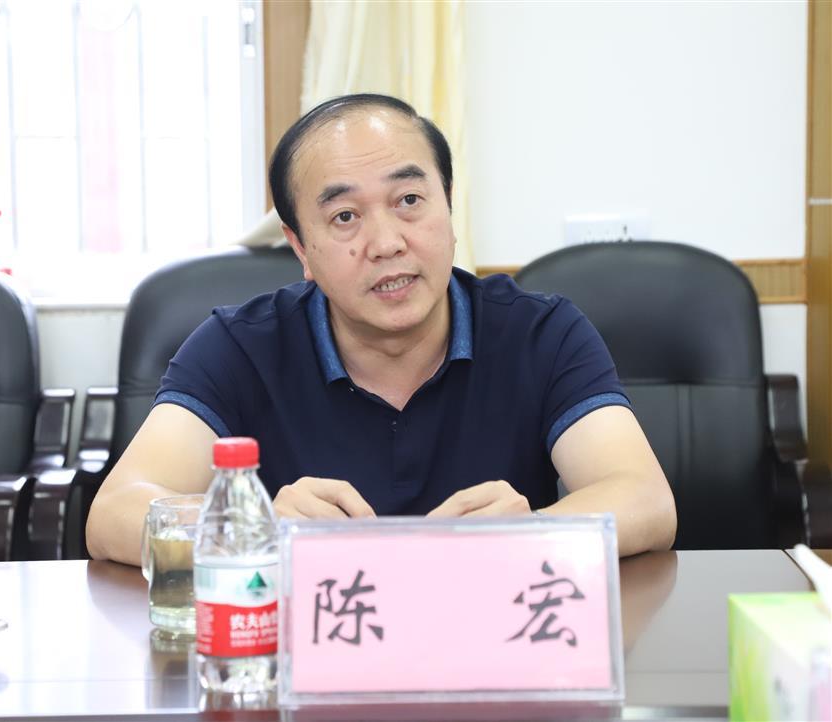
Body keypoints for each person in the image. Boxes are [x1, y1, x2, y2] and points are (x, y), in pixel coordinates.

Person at [86, 94, 676, 565]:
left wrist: (531, 534)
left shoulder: (541, 333)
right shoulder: (239, 347)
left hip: (495, 649)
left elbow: (643, 497)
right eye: (345, 216)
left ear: (449, 207)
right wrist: (252, 529)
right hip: (308, 661)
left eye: (410, 200)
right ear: (301, 248)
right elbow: (115, 512)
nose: (387, 242)